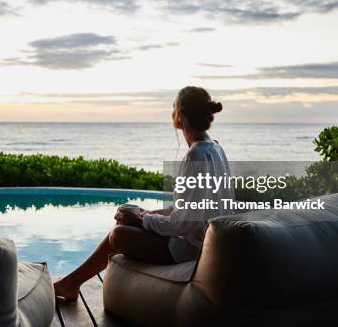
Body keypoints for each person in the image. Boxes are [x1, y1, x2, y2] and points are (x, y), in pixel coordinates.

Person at [53, 86, 234, 301]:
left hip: (190, 250)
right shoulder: (215, 148)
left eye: (174, 107)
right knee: (126, 222)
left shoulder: (196, 154)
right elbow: (189, 210)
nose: (172, 113)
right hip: (200, 242)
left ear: (181, 115)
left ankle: (71, 283)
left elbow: (182, 224)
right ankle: (71, 283)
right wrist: (143, 214)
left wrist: (142, 219)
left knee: (118, 235)